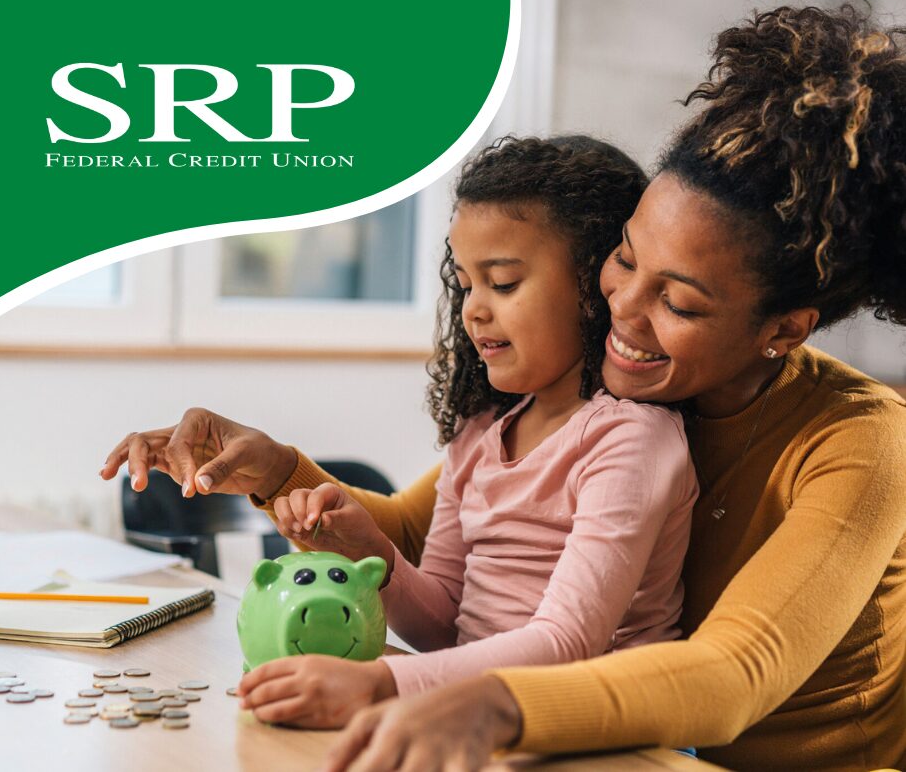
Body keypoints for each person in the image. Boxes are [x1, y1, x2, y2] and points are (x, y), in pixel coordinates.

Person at [100, 3, 906, 771]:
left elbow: (733, 674)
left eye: (681, 301)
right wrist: (276, 474)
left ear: (785, 330)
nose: (619, 306)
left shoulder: (860, 441)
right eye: (624, 258)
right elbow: (428, 543)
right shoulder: (619, 391)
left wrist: (487, 701)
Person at [104, 135, 697, 726]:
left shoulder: (630, 440)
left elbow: (567, 645)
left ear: (600, 284)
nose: (473, 310)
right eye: (466, 285)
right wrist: (370, 554)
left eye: (505, 283)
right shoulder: (482, 434)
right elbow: (445, 630)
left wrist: (378, 681)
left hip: (608, 735)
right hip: (484, 717)